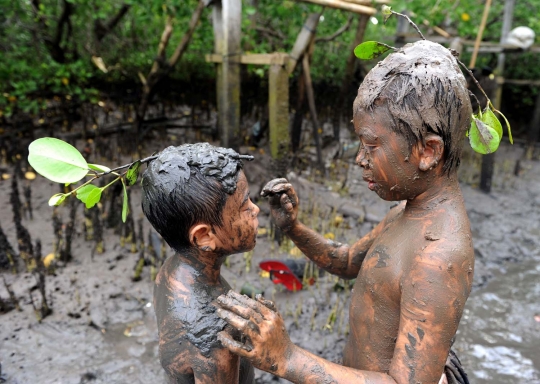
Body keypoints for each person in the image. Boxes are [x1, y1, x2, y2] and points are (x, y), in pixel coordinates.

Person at [215, 40, 474, 384]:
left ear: (428, 151)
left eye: (371, 146)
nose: (359, 159)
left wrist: (287, 358)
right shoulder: (406, 212)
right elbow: (349, 260)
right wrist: (294, 228)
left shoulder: (439, 257)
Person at [141, 143, 260, 384]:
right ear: (204, 237)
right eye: (244, 206)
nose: (255, 210)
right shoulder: (217, 338)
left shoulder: (170, 272)